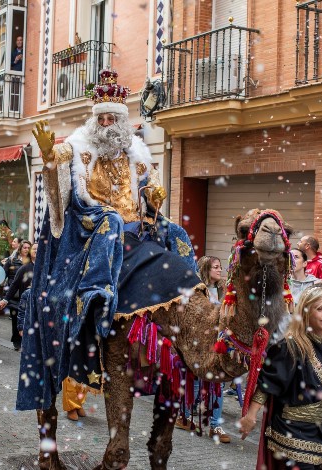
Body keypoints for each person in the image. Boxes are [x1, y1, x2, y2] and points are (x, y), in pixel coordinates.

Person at [17, 68, 198, 412]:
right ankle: (96, 290)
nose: (109, 125)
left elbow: (149, 194)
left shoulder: (138, 155)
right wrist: (48, 157)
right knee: (111, 219)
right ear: (95, 121)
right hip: (92, 222)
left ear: (123, 120)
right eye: (103, 119)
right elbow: (61, 176)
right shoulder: (79, 146)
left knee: (177, 232)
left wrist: (155, 197)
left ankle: (190, 298)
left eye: (115, 118)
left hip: (136, 227)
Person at [239, 287, 322, 469]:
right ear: (306, 311)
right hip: (291, 431)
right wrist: (251, 415)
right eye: (320, 309)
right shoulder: (289, 347)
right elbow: (268, 385)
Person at [177, 255, 231, 443]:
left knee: (219, 382)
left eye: (220, 266)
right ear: (206, 270)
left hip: (218, 343)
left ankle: (215, 424)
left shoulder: (225, 290)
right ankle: (184, 415)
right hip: (198, 344)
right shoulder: (196, 291)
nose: (219, 270)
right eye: (215, 267)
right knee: (196, 380)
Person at [0, 241, 34, 351]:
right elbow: (13, 283)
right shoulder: (14, 262)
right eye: (25, 247)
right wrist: (5, 299)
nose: (26, 249)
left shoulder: (42, 266)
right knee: (17, 319)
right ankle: (17, 340)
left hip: (32, 298)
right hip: (17, 296)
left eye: (28, 247)